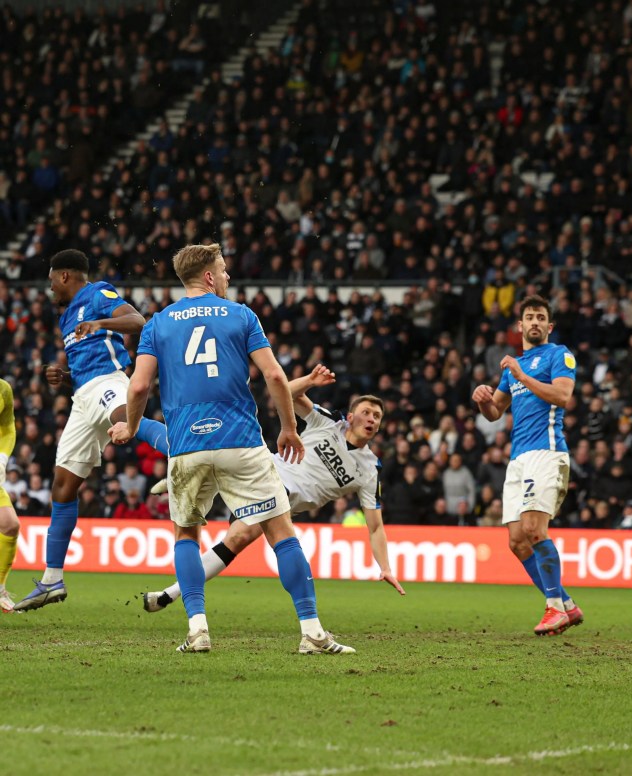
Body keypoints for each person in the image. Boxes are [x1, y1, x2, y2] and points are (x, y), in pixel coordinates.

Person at [109, 243, 352, 655]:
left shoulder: (158, 324)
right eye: (222, 270)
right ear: (207, 276)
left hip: (187, 446)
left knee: (187, 534)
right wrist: (289, 428)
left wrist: (130, 427)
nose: (226, 277)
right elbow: (274, 375)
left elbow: (137, 386)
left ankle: (198, 630)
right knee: (281, 533)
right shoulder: (241, 315)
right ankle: (311, 632)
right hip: (239, 439)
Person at [129, 365, 405, 611]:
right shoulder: (327, 422)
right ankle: (151, 441)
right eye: (367, 412)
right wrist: (309, 380)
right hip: (263, 472)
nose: (371, 419)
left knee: (235, 540)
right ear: (352, 415)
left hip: (281, 500)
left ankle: (169, 593)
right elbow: (282, 393)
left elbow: (375, 527)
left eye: (377, 416)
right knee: (220, 456)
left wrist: (385, 567)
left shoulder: (370, 469)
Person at [15, 250, 154, 611]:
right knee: (62, 486)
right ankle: (51, 580)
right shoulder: (65, 320)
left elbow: (137, 320)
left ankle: (189, 446)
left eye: (50, 280)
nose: (48, 288)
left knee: (128, 420)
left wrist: (101, 324)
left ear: (64, 276)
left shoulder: (97, 294)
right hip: (82, 396)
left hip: (109, 382)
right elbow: (84, 366)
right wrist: (63, 378)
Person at [472, 294, 584, 636]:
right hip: (518, 458)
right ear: (519, 326)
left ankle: (553, 609)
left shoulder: (558, 354)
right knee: (518, 541)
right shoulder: (512, 368)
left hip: (546, 452)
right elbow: (495, 413)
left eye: (540, 318)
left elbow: (563, 397)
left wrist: (521, 373)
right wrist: (483, 400)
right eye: (529, 317)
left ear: (549, 327)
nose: (534, 322)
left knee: (536, 530)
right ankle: (566, 605)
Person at [0, 379, 20, 612]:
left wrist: (3, 457)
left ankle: (0, 589)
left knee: (10, 525)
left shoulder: (3, 388)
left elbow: (7, 428)